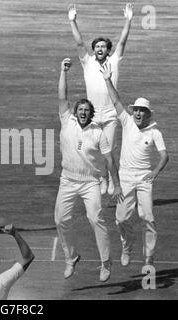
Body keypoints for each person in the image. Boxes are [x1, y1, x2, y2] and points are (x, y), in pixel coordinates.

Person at [54, 58, 123, 282]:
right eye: (80, 109)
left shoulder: (98, 132)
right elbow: (62, 96)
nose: (83, 112)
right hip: (67, 180)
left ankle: (105, 262)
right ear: (75, 112)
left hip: (90, 182)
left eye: (86, 110)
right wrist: (63, 72)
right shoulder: (67, 120)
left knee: (96, 219)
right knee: (60, 220)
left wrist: (116, 183)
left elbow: (109, 159)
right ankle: (71, 257)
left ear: (90, 114)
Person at [100, 63, 169, 266]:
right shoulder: (127, 121)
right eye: (136, 110)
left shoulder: (155, 132)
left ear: (148, 114)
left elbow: (165, 156)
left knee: (147, 216)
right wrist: (107, 79)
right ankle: (127, 245)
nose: (138, 113)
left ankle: (148, 257)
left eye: (142, 111)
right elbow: (115, 100)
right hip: (126, 177)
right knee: (121, 219)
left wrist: (154, 173)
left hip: (144, 178)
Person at [68, 3, 134, 195]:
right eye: (97, 46)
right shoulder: (87, 62)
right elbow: (80, 44)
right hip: (92, 114)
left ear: (108, 50)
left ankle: (113, 182)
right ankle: (102, 179)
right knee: (94, 151)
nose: (99, 49)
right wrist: (73, 21)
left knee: (109, 151)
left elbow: (122, 42)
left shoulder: (114, 61)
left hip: (112, 114)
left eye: (103, 47)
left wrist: (129, 20)